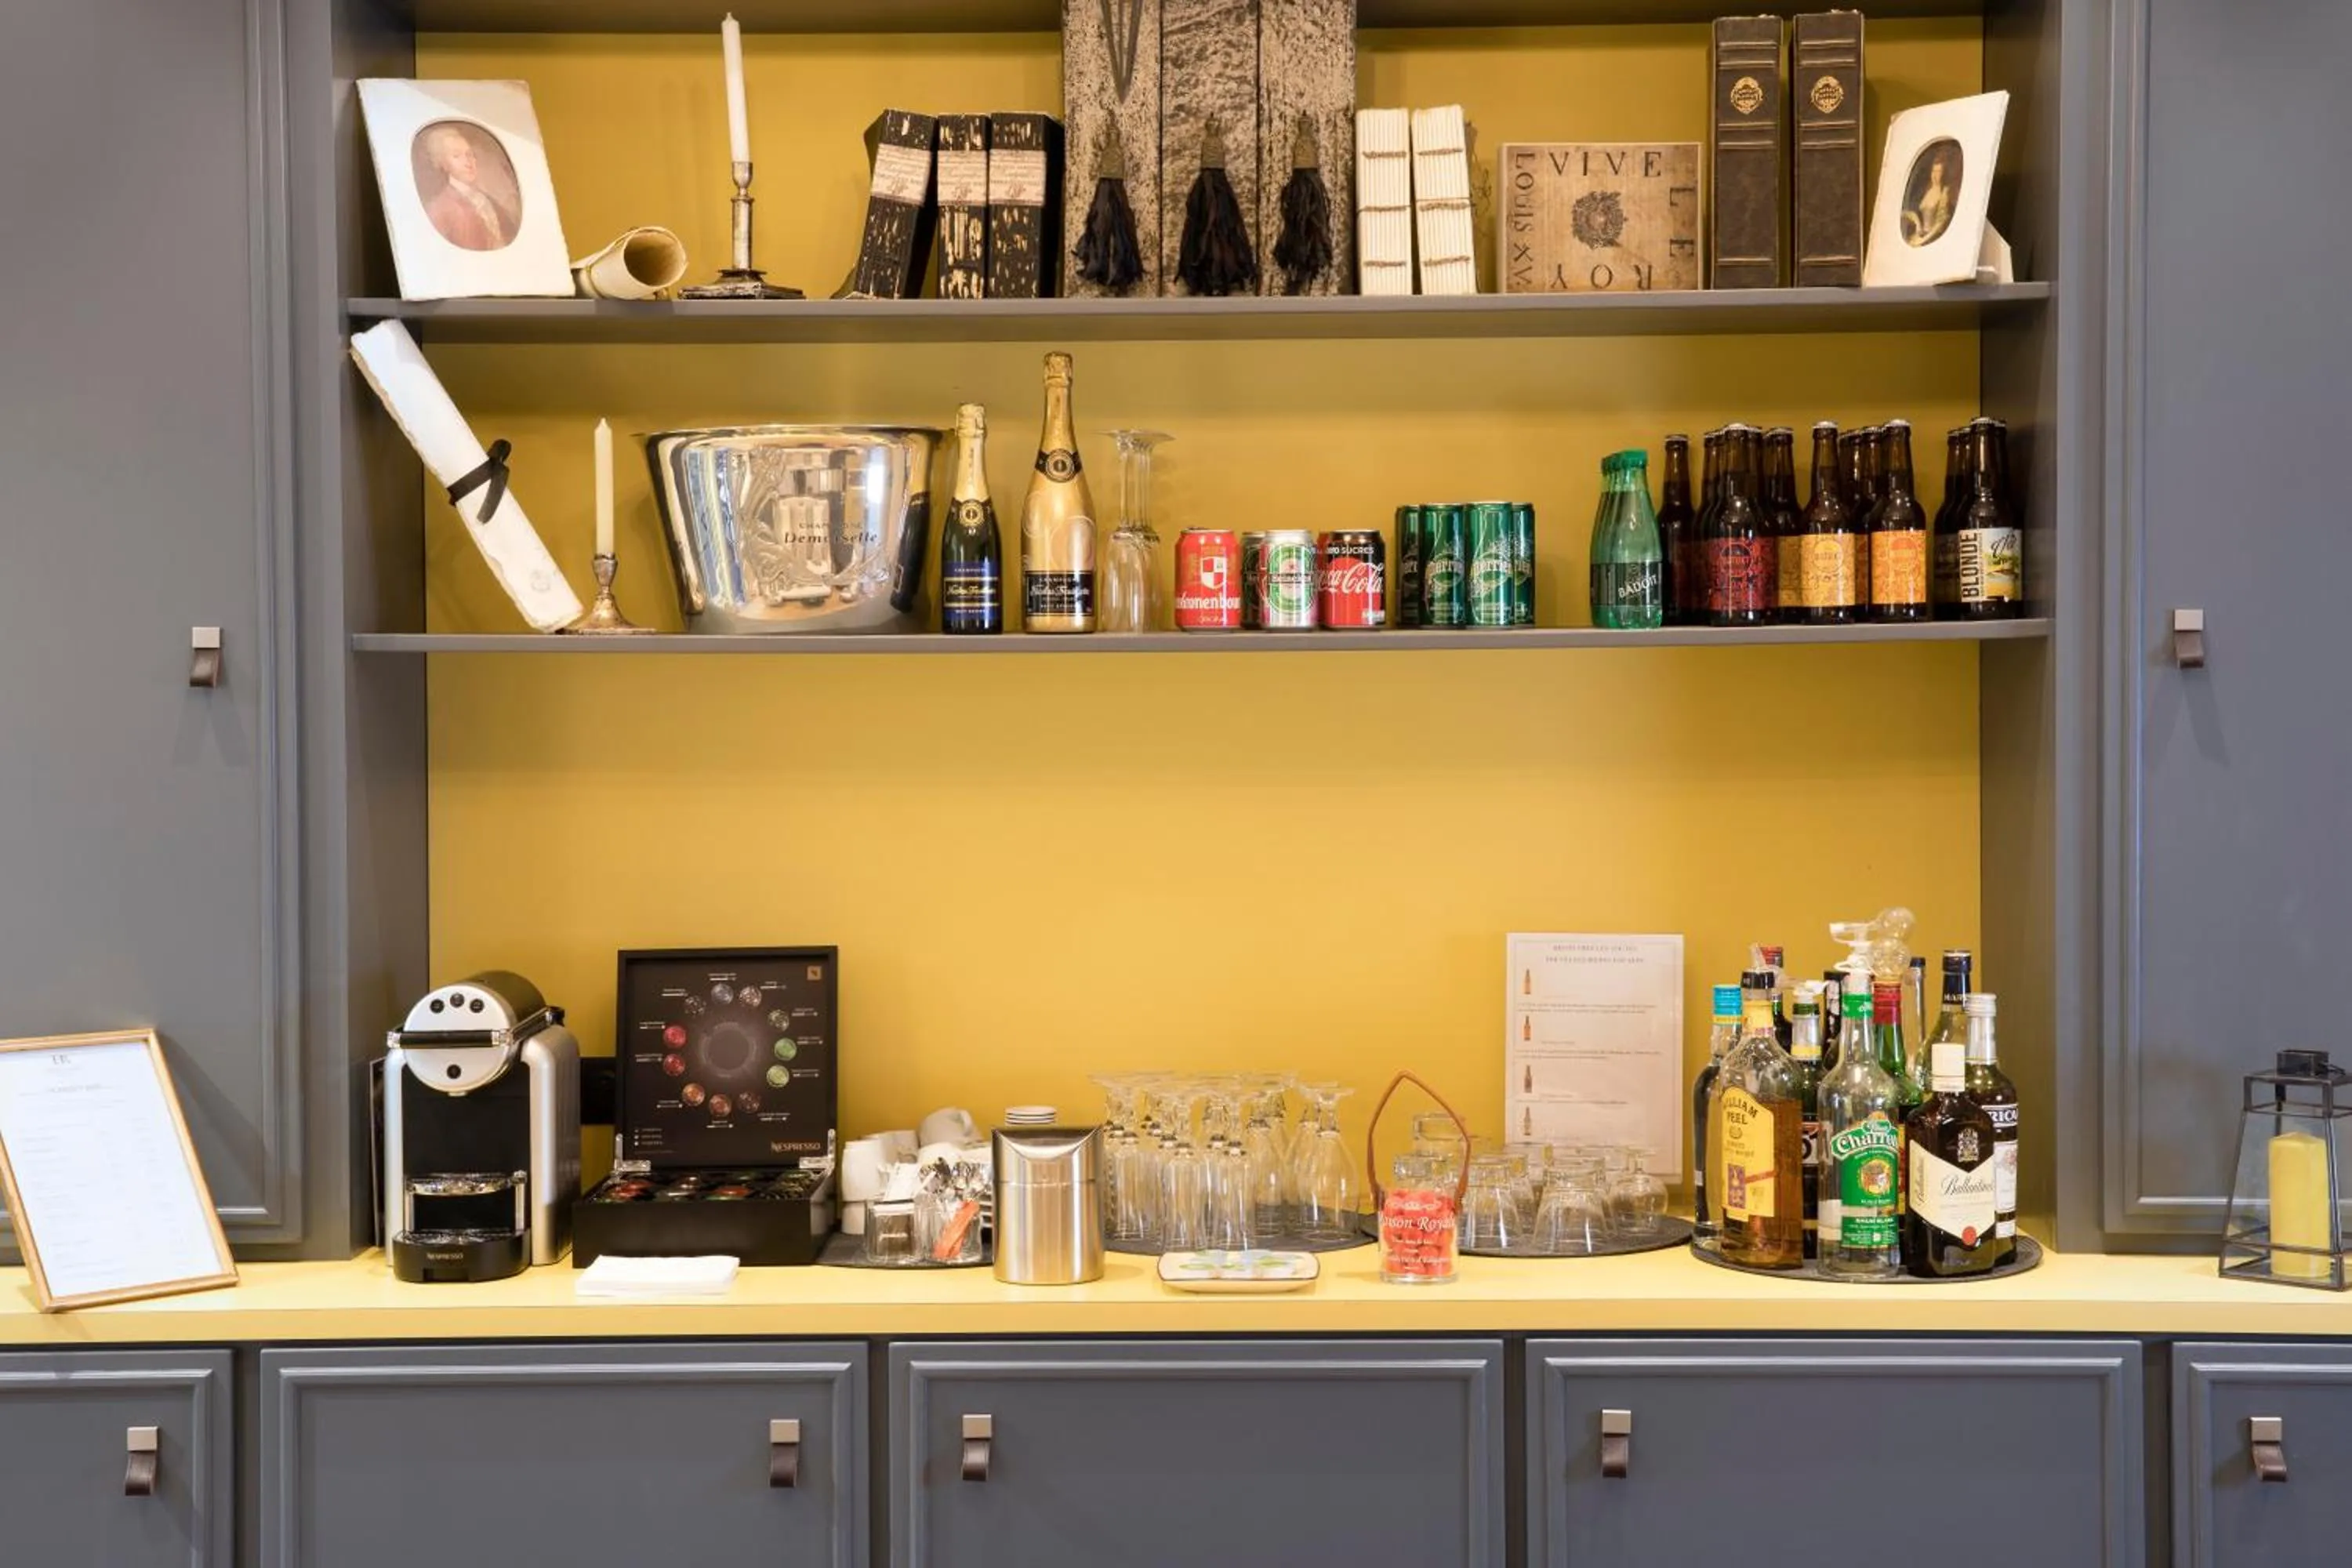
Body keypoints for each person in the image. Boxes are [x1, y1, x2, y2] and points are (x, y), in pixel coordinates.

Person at [418, 123, 517, 252]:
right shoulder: (439, 208)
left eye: (470, 154)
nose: (468, 162)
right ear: (443, 163)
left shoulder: (488, 200)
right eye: (457, 156)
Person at [1903, 150, 1956, 248]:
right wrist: (1917, 223)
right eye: (1933, 171)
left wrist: (1923, 240)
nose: (1935, 175)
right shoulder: (1928, 190)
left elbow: (1940, 224)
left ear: (1943, 173)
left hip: (1932, 239)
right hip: (1920, 235)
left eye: (1939, 171)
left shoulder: (1944, 193)